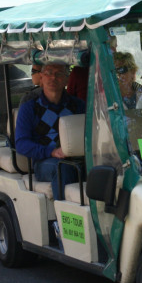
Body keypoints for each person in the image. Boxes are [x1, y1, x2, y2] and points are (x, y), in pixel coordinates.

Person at [15, 64, 85, 201]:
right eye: (48, 73)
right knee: (62, 168)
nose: (53, 77)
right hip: (45, 161)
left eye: (59, 74)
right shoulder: (29, 108)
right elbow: (21, 144)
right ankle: (62, 212)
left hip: (78, 159)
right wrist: (52, 152)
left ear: (66, 80)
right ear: (41, 77)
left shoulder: (78, 105)